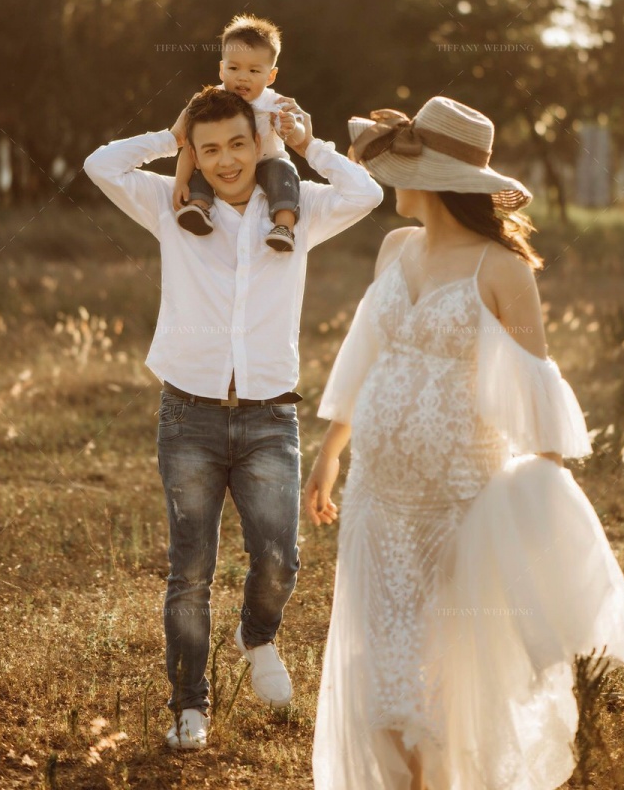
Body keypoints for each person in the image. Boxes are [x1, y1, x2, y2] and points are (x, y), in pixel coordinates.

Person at [304, 97, 624, 790]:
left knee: (440, 668)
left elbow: (537, 399)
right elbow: (365, 355)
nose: (394, 184)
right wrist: (331, 451)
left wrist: (532, 518)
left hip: (456, 504)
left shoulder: (501, 268)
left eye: (404, 172)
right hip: (375, 495)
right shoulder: (394, 248)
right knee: (381, 658)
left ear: (434, 181)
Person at [83, 86, 382, 751]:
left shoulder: (296, 211)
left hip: (269, 415)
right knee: (189, 571)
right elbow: (100, 165)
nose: (225, 161)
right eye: (210, 148)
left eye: (238, 145)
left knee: (279, 558)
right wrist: (170, 140)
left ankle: (256, 635)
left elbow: (366, 193)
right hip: (187, 415)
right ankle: (189, 706)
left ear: (257, 142)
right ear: (195, 152)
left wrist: (306, 144)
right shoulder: (172, 205)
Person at [172, 14, 305, 252]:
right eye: (234, 68)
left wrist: (293, 127)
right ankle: (199, 208)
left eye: (254, 71)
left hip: (267, 163)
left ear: (271, 76)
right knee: (204, 162)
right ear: (222, 69)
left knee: (284, 172)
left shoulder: (275, 103)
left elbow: (301, 134)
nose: (242, 77)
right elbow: (190, 148)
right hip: (227, 164)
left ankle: (284, 226)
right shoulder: (210, 102)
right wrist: (181, 181)